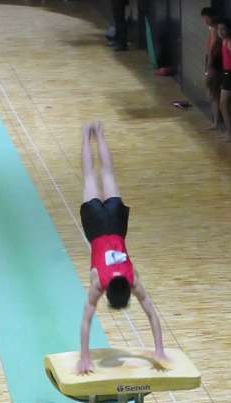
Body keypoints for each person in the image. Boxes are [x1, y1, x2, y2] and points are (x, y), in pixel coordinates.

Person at [78, 121, 171, 374]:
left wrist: (159, 348)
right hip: (97, 227)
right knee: (93, 176)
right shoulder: (99, 282)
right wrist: (159, 351)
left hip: (117, 224)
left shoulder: (132, 279)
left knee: (106, 174)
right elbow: (86, 321)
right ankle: (92, 134)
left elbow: (150, 315)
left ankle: (94, 133)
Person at [217, 18, 231, 142]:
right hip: (225, 73)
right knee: (227, 105)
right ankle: (229, 131)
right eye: (218, 29)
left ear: (228, 30)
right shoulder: (223, 41)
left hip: (230, 75)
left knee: (223, 104)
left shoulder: (230, 42)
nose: (220, 31)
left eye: (223, 29)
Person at [201, 7, 222, 130]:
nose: (205, 21)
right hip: (213, 61)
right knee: (214, 94)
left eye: (206, 18)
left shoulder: (215, 28)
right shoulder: (212, 27)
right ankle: (215, 121)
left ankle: (216, 121)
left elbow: (213, 45)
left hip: (215, 62)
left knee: (213, 92)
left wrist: (208, 63)